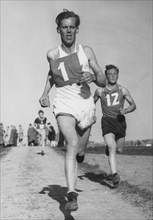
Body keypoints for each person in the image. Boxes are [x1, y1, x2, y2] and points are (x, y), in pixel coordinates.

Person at [39, 9, 106, 211]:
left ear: (77, 29)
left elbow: (102, 79)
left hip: (84, 102)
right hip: (64, 101)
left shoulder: (86, 51)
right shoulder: (52, 54)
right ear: (58, 29)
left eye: (72, 27)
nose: (68, 31)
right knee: (72, 142)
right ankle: (71, 195)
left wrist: (93, 78)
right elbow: (52, 75)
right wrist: (45, 94)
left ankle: (79, 157)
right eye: (64, 27)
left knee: (80, 150)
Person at [94, 64, 136, 187]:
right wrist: (91, 114)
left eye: (114, 74)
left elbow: (133, 105)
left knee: (119, 149)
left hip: (120, 122)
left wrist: (126, 110)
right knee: (112, 147)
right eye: (110, 74)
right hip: (107, 121)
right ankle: (114, 174)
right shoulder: (100, 91)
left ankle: (109, 148)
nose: (112, 76)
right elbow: (91, 103)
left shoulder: (123, 90)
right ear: (106, 76)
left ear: (117, 75)